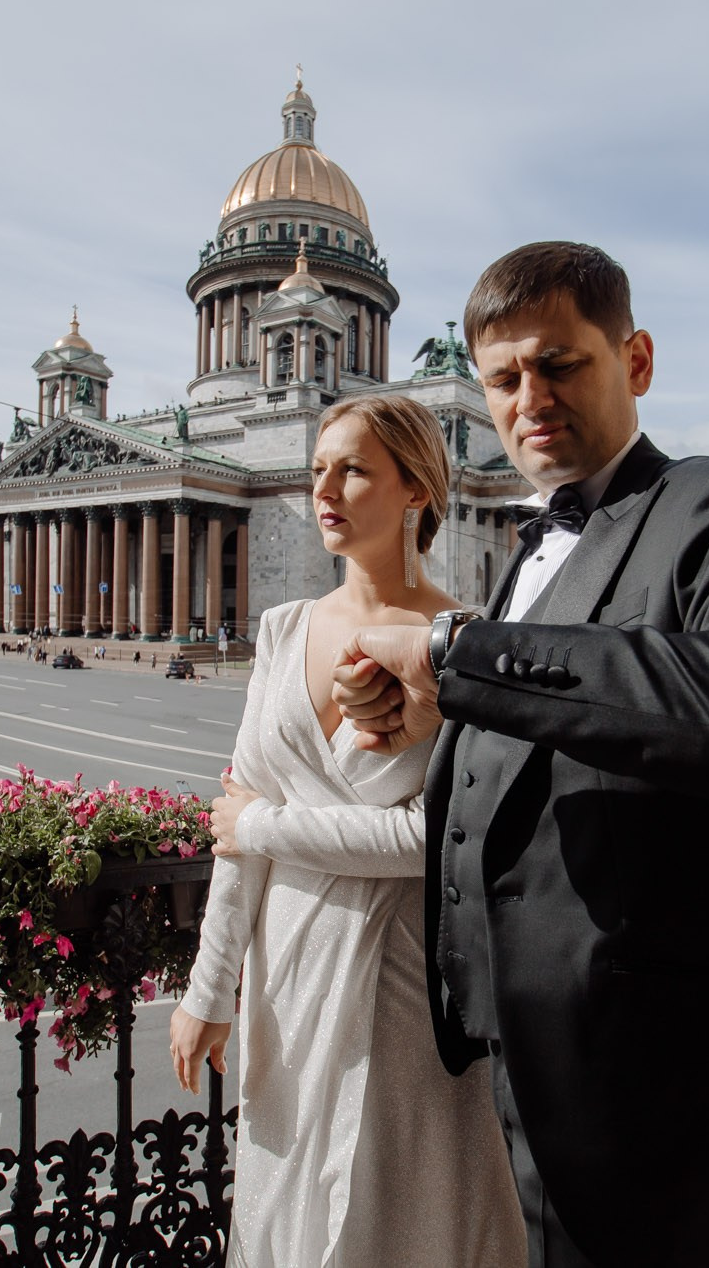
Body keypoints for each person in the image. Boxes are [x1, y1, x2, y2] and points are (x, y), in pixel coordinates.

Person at [330, 243, 709, 1266]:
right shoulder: (524, 555)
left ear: (634, 359)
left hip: (648, 1087)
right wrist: (443, 717)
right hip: (515, 1060)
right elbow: (569, 712)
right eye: (501, 379)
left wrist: (458, 653)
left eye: (558, 364)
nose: (525, 398)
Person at [169, 392, 524, 1266]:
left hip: (404, 980)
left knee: (398, 1215)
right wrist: (210, 987)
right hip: (286, 974)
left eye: (354, 468)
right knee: (286, 1203)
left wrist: (266, 826)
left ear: (416, 490)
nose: (324, 487)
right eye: (320, 467)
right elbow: (234, 828)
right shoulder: (283, 628)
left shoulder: (467, 645)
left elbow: (429, 838)